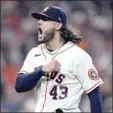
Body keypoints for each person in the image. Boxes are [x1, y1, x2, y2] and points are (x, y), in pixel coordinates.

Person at [15, 6, 104, 113]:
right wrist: (41, 70)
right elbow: (19, 86)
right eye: (39, 19)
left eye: (45, 19)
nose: (39, 22)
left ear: (58, 25)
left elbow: (94, 92)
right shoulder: (34, 53)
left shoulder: (78, 55)